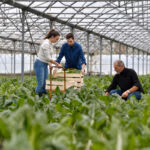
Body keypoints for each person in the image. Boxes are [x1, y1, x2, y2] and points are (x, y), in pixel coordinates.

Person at [34, 29, 61, 97]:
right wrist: (56, 64)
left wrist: (50, 64)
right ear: (52, 37)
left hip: (44, 64)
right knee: (40, 83)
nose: (56, 41)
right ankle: (36, 98)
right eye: (56, 39)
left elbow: (48, 57)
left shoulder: (50, 43)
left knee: (45, 82)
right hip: (39, 64)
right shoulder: (46, 44)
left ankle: (43, 97)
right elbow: (48, 57)